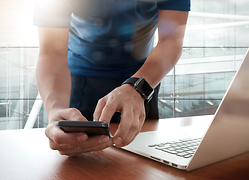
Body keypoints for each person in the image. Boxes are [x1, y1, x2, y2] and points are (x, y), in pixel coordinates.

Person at [33, 0, 190, 156]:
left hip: (143, 81)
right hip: (79, 82)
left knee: (146, 164)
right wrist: (56, 110)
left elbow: (171, 40)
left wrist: (137, 87)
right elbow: (52, 52)